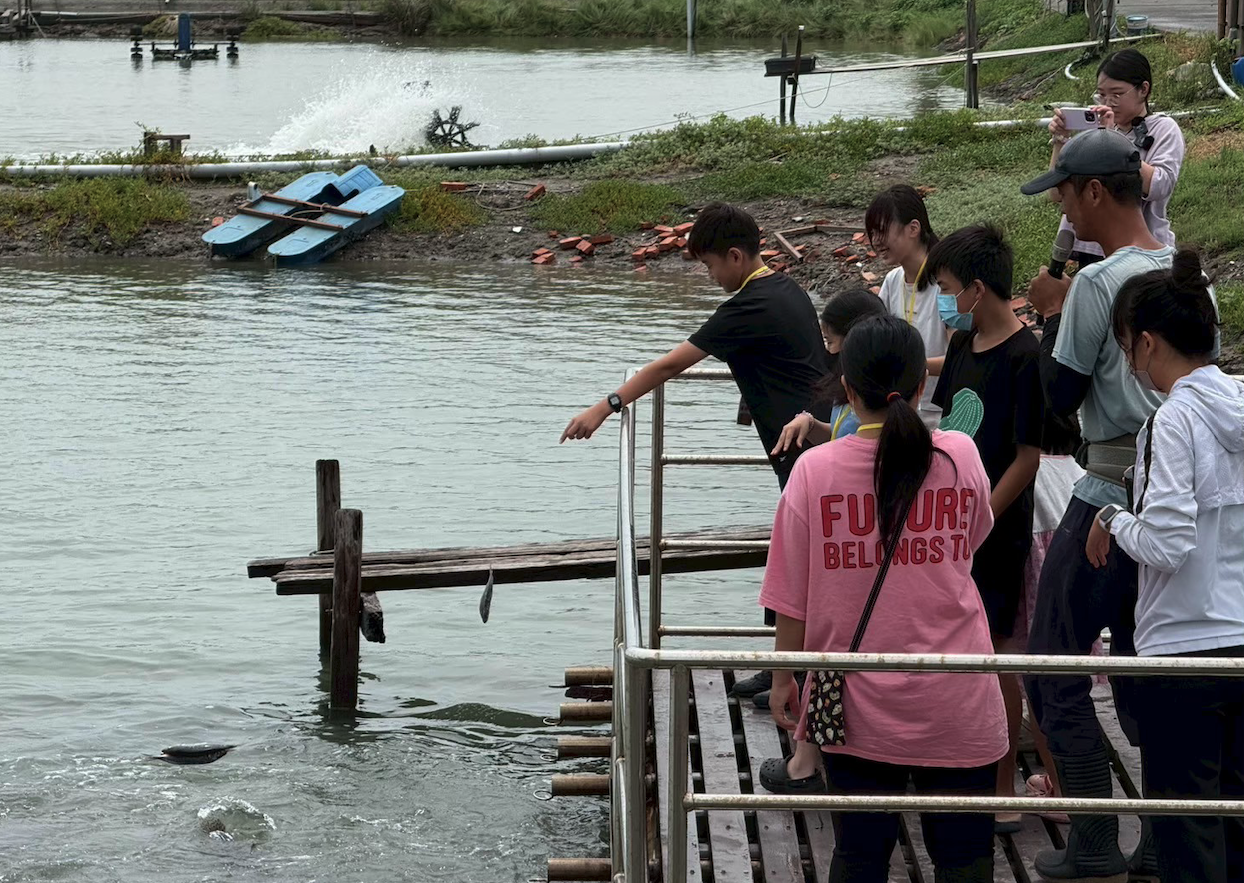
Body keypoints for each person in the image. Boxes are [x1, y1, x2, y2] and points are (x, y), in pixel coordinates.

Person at [761, 314, 1006, 883]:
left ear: (847, 389)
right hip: (959, 695)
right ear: (922, 384)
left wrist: (782, 679)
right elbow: (971, 539)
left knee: (860, 856)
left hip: (855, 704)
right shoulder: (959, 455)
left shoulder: (812, 471)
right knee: (966, 861)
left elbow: (791, 599)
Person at [1018, 128, 1183, 882]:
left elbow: (1061, 397)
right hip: (1170, 491)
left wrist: (1051, 313)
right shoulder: (1184, 272)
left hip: (1106, 489)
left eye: (1062, 192)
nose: (1060, 207)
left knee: (1053, 661)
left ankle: (1092, 839)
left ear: (1092, 191)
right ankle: (1161, 842)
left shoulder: (1094, 283)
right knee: (1147, 666)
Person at [1086, 250, 1244, 883]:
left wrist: (1113, 518)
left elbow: (1169, 541)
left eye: (1128, 348)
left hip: (1183, 651)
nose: (1132, 362)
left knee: (1188, 837)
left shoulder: (1172, 419)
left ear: (1147, 343)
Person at [560, 201, 830, 492]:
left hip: (801, 452)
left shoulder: (746, 308)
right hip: (825, 432)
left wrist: (605, 407)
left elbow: (669, 365)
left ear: (735, 256)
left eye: (709, 265)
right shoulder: (788, 288)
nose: (710, 276)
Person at [925, 225, 1044, 834]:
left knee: (997, 656)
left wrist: (981, 519)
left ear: (976, 287)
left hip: (996, 531)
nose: (944, 300)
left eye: (947, 287)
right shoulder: (964, 343)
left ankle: (1002, 788)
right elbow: (947, 429)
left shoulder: (1025, 356)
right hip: (951, 526)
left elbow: (1027, 458)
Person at [745, 288, 888, 788]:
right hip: (855, 544)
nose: (825, 350)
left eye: (831, 340)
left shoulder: (820, 464)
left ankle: (807, 762)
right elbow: (850, 438)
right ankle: (809, 755)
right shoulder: (863, 407)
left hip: (843, 546)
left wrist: (780, 673)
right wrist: (813, 423)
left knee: (824, 650)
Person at [1047, 49, 1185, 267]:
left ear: (1143, 89)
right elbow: (1057, 193)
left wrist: (1111, 141)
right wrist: (1060, 140)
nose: (1108, 102)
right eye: (1101, 95)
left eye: (1117, 94)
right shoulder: (1095, 131)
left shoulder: (1163, 129)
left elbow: (1160, 185)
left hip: (1140, 251)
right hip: (1090, 247)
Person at [865, 185, 946, 429]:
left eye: (882, 231)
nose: (876, 241)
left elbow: (960, 358)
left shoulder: (945, 283)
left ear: (913, 228)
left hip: (941, 414)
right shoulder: (893, 281)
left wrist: (910, 367)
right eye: (872, 232)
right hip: (902, 412)